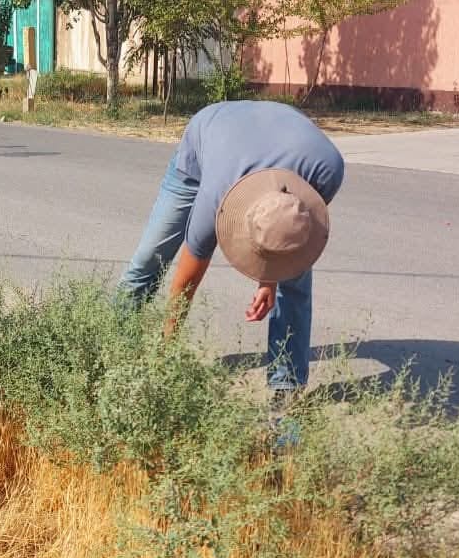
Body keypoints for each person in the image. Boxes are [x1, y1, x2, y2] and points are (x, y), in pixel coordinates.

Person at [120, 99, 344, 395]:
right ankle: (113, 341)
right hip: (206, 140)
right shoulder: (216, 195)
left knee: (295, 278)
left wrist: (269, 280)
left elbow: (286, 235)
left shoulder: (328, 170)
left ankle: (286, 387)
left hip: (275, 134)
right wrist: (166, 347)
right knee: (150, 257)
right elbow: (185, 283)